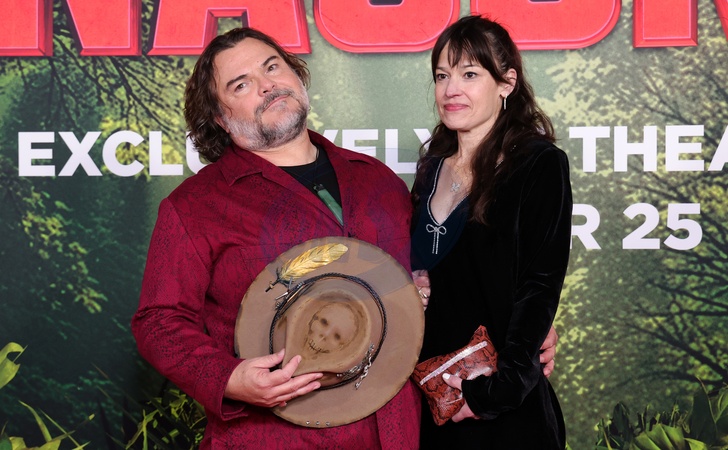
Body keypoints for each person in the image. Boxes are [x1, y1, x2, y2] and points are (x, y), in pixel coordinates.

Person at [131, 27, 421, 448]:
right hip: (272, 436)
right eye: (241, 84)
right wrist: (228, 378)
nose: (267, 85)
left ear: (296, 75)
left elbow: (417, 285)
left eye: (272, 67)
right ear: (219, 117)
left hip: (394, 430)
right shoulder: (193, 206)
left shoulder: (379, 180)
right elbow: (158, 321)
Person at [410, 15, 573, 449]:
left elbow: (539, 287)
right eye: (442, 76)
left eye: (469, 74)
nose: (451, 89)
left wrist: (494, 395)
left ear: (506, 83)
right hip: (434, 399)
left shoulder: (538, 164)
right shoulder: (431, 168)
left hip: (499, 407)